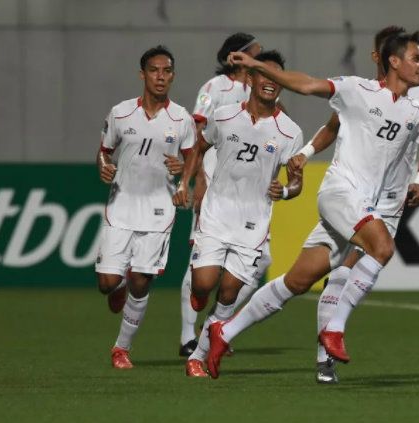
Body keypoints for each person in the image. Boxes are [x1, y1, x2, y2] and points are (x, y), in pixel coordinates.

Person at [205, 31, 419, 379]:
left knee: (296, 282)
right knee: (383, 247)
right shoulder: (357, 90)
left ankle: (225, 332)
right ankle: (334, 329)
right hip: (340, 194)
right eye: (416, 58)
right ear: (394, 61)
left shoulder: (418, 109)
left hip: (370, 205)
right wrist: (253, 63)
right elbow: (307, 85)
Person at [307, 25, 419, 384]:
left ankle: (327, 348)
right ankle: (326, 354)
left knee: (348, 270)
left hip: (391, 201)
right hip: (354, 193)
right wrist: (305, 154)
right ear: (382, 58)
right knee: (337, 273)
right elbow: (332, 126)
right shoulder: (358, 93)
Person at [173, 50, 304, 377]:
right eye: (264, 75)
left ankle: (197, 357)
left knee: (229, 292)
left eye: (277, 78)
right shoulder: (225, 115)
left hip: (253, 223)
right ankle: (198, 302)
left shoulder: (290, 132)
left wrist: (285, 191)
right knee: (202, 284)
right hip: (217, 214)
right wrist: (189, 182)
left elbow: (296, 181)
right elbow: (199, 147)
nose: (270, 83)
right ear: (251, 79)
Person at [95, 45, 195, 369]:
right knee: (108, 284)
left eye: (166, 71)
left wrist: (183, 181)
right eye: (154, 70)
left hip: (158, 208)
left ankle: (121, 349)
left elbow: (191, 156)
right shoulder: (121, 113)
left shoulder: (182, 118)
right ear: (143, 74)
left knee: (142, 279)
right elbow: (104, 150)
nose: (161, 76)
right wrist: (103, 166)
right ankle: (117, 285)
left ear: (173, 76)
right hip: (122, 203)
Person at [174, 33, 265, 357]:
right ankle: (188, 336)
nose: (260, 54)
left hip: (249, 190)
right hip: (215, 181)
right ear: (235, 56)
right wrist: (198, 178)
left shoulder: (260, 89)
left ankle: (215, 326)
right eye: (255, 50)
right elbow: (199, 134)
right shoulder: (214, 89)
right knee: (200, 260)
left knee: (258, 262)